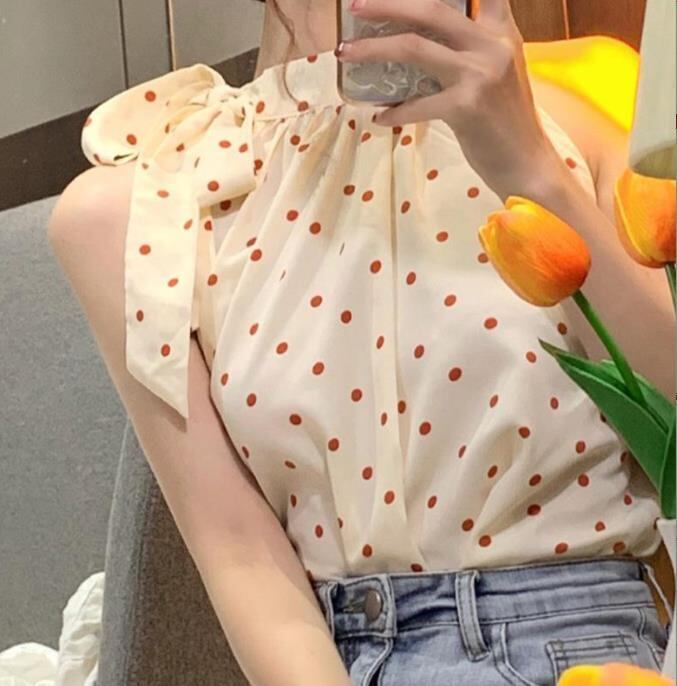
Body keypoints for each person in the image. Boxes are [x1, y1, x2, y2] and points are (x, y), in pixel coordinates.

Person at [47, 0, 673, 683]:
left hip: (578, 647)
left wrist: (527, 165)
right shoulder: (151, 203)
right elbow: (240, 556)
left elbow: (667, 415)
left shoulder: (585, 121)